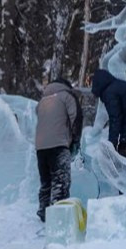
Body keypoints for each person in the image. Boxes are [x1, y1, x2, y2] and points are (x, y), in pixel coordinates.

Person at [35, 78, 82, 222]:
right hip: (59, 145)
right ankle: (58, 217)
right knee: (61, 181)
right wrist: (75, 141)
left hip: (40, 147)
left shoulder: (42, 101)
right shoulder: (67, 96)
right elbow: (76, 118)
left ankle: (44, 211)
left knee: (46, 182)